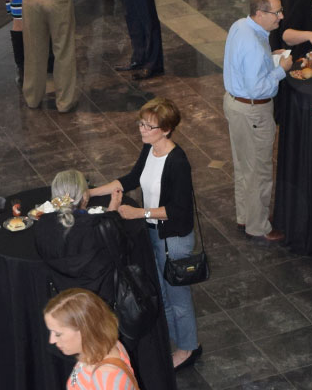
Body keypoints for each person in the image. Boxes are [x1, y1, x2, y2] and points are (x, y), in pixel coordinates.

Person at [89, 98, 201, 370]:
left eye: (148, 126)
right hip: (152, 232)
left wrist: (140, 213)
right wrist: (91, 192)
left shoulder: (178, 162)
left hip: (173, 239)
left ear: (166, 130)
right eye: (141, 123)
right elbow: (131, 178)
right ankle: (171, 339)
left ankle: (188, 348)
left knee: (178, 297)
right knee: (160, 292)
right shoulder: (149, 148)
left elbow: (179, 211)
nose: (141, 129)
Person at [222, 0, 292, 241]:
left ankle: (246, 216)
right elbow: (258, 87)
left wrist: (270, 59)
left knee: (244, 166)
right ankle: (259, 226)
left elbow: (248, 69)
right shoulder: (253, 43)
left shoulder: (240, 25)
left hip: (235, 104)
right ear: (260, 14)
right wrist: (281, 70)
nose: (281, 17)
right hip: (253, 110)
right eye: (276, 13)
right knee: (259, 172)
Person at [34, 169, 127, 304]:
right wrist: (112, 213)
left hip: (61, 297)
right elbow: (122, 249)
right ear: (85, 196)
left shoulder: (43, 225)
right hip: (99, 299)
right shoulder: (96, 228)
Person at [43, 288, 138, 390]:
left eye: (58, 334)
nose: (51, 340)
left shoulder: (107, 379)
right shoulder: (99, 347)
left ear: (84, 331)